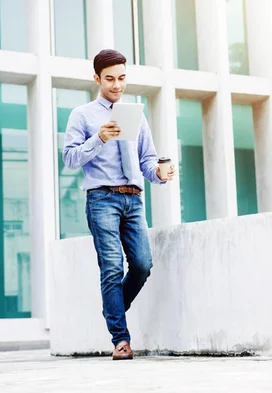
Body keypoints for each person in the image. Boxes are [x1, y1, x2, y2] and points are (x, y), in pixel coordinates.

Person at [62, 49, 175, 360]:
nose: (117, 85)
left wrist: (160, 174)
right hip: (102, 199)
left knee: (142, 265)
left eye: (122, 78)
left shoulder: (134, 114)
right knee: (111, 267)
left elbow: (147, 159)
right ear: (97, 79)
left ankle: (114, 307)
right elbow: (70, 158)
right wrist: (98, 137)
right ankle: (120, 340)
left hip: (133, 199)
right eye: (109, 79)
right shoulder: (83, 116)